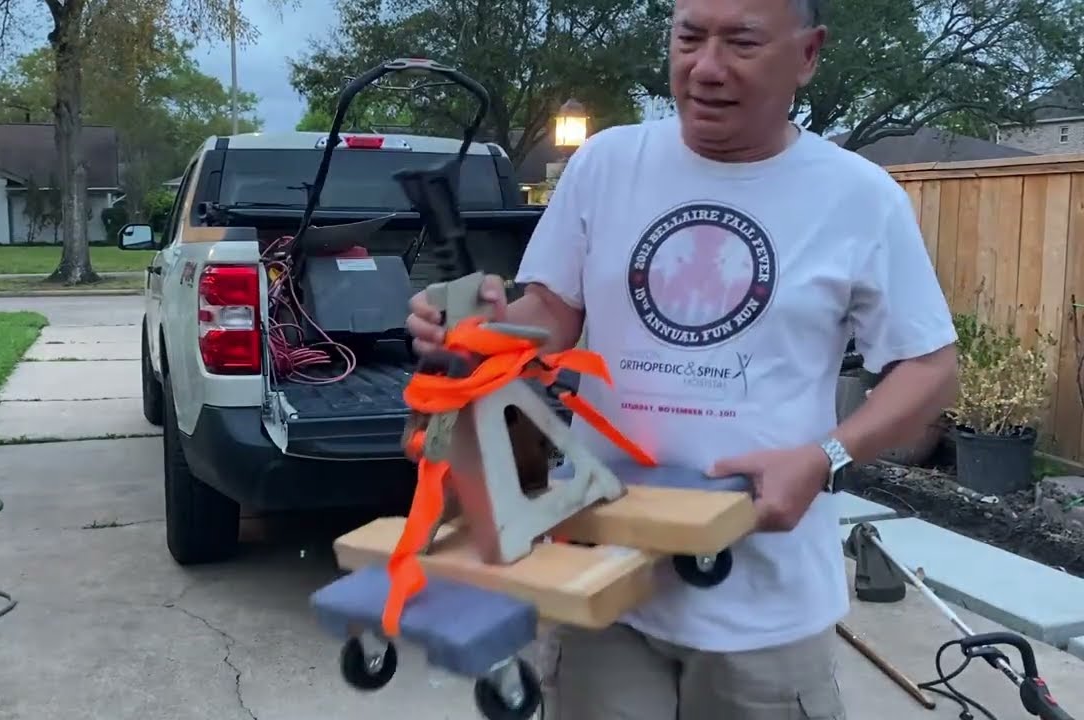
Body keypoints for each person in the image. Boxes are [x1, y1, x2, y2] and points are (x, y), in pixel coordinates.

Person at [404, 0, 961, 716]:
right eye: (689, 37)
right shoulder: (607, 164)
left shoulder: (858, 197)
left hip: (764, 603)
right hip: (603, 577)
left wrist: (826, 454)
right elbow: (551, 316)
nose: (705, 67)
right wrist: (482, 327)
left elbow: (929, 367)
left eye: (741, 43)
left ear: (809, 54)